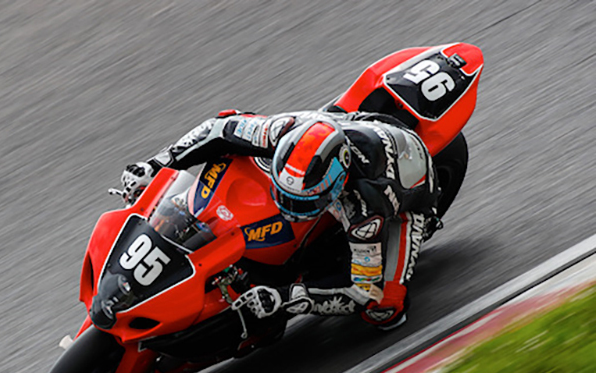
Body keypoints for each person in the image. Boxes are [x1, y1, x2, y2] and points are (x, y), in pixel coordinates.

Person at [120, 107, 439, 330]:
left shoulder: (364, 207)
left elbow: (363, 291)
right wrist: (157, 164)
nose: (289, 208)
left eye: (302, 202)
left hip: (410, 195)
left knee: (384, 308)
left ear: (337, 185)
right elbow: (219, 128)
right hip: (353, 123)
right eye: (286, 195)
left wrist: (285, 298)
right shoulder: (286, 129)